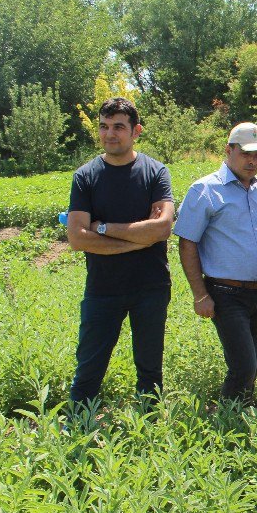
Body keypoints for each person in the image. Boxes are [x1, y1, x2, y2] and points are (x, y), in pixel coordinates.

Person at [66, 97, 175, 405]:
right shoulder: (85, 176)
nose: (109, 134)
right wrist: (139, 239)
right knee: (88, 369)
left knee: (150, 370)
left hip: (150, 287)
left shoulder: (155, 172)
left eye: (118, 127)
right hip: (103, 288)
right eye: (103, 126)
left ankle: (150, 428)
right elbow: (77, 239)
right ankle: (79, 426)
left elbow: (162, 228)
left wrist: (101, 227)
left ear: (135, 131)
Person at [173, 123, 257, 401]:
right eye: (246, 153)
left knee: (253, 362)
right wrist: (200, 295)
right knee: (243, 365)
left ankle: (242, 410)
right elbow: (187, 243)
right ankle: (228, 421)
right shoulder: (205, 190)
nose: (252, 161)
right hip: (226, 293)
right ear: (229, 150)